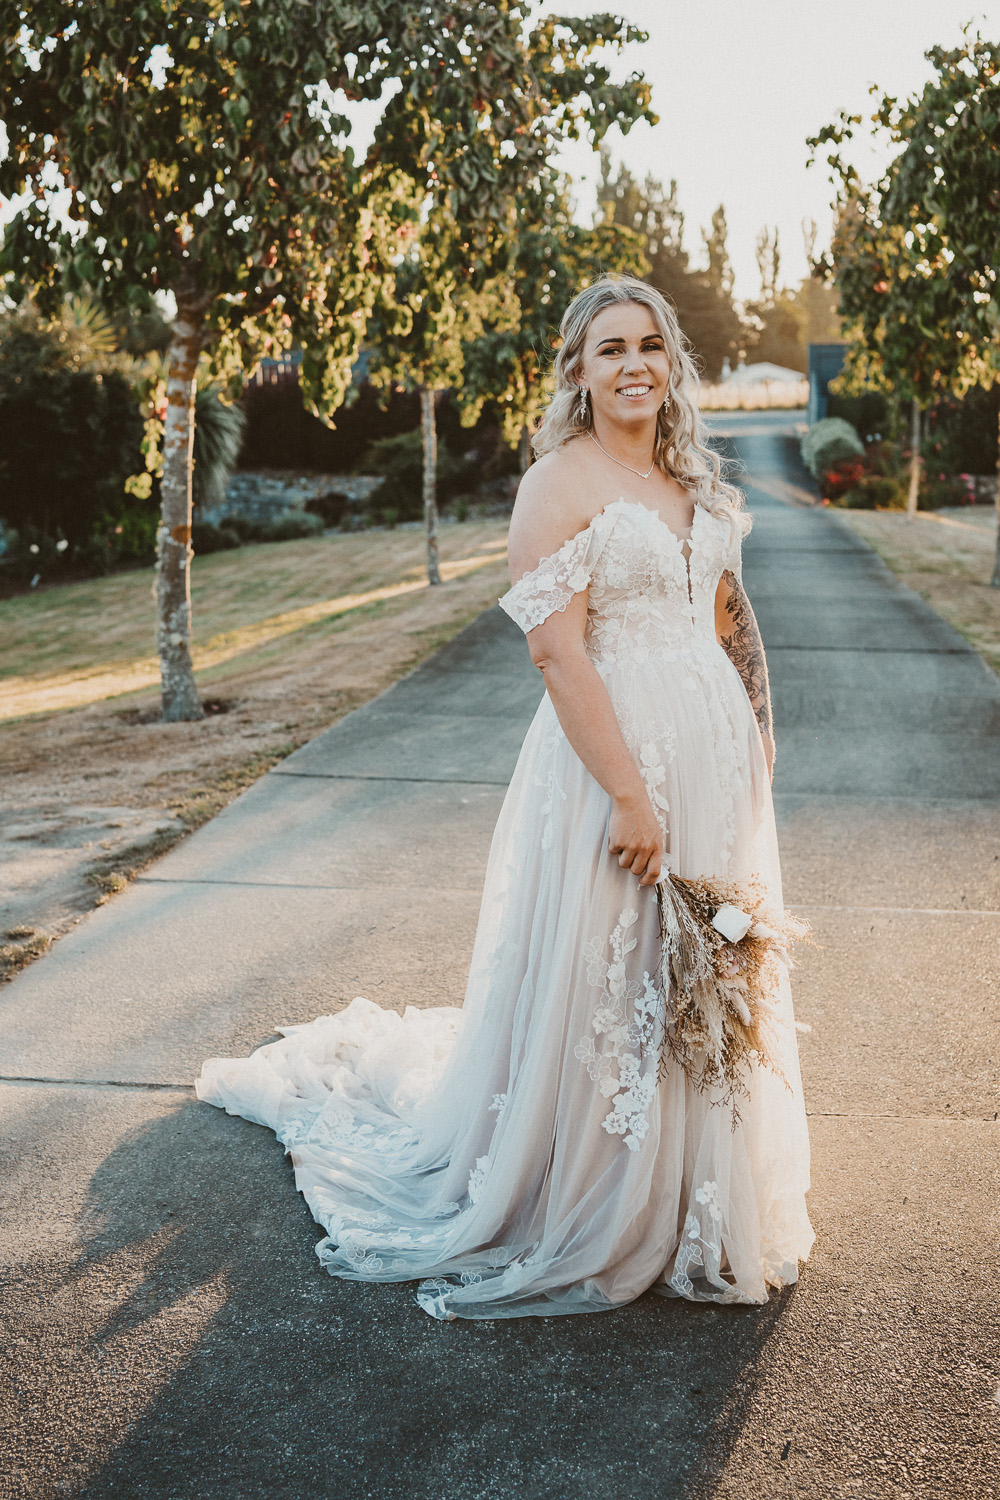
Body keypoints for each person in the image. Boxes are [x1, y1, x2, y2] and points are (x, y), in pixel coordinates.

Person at [196, 274, 814, 1320]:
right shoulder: (557, 487)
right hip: (611, 769)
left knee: (703, 973)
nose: (634, 366)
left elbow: (727, 618)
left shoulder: (692, 480)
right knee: (613, 973)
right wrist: (629, 798)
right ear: (576, 370)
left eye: (650, 346)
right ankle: (597, 1197)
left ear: (673, 362)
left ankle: (695, 1199)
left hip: (711, 768)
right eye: (610, 348)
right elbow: (558, 657)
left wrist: (757, 735)